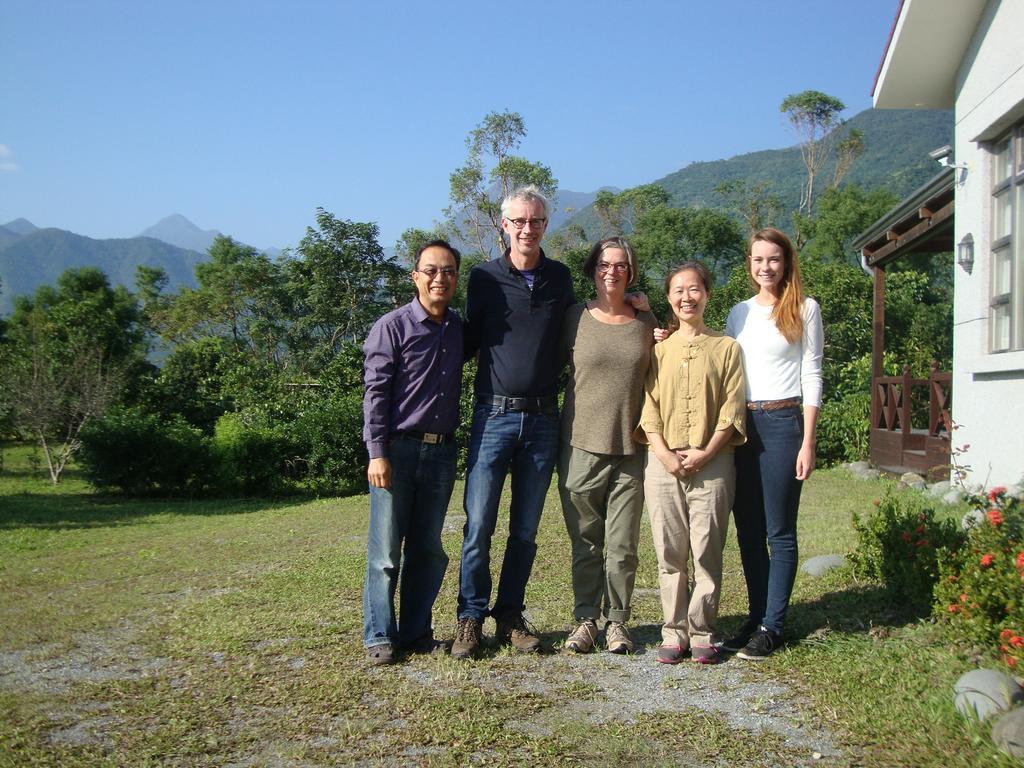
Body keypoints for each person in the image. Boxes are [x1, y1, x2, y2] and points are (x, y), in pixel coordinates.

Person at [451, 185, 575, 659]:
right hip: (493, 416)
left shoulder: (560, 279)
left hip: (544, 420)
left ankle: (510, 617)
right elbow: (463, 341)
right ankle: (469, 618)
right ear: (504, 225)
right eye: (519, 221)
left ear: (546, 225)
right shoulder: (483, 278)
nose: (528, 228)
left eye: (537, 221)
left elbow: (586, 327)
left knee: (524, 529)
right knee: (478, 524)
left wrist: (642, 313)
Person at [721, 227, 823, 661]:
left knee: (778, 530)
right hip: (742, 426)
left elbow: (813, 375)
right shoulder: (738, 313)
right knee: (747, 529)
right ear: (750, 264)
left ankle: (773, 625)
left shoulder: (804, 308)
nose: (766, 267)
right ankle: (756, 615)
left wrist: (808, 442)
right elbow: (720, 366)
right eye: (758, 259)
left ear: (786, 263)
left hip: (783, 422)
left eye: (774, 259)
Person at [637, 262, 746, 665]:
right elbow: (648, 405)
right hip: (662, 463)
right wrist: (664, 453)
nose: (687, 297)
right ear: (669, 298)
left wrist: (706, 452)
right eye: (679, 290)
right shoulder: (658, 350)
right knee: (669, 551)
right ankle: (673, 630)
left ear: (707, 294)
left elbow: (733, 410)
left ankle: (702, 629)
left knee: (706, 550)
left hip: (713, 463)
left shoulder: (727, 348)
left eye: (695, 289)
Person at [361, 240, 463, 666]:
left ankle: (418, 632)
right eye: (432, 270)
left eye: (449, 271)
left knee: (428, 549)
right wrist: (376, 452)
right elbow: (376, 392)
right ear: (416, 276)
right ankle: (380, 636)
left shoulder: (458, 328)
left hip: (441, 455)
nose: (440, 278)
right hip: (396, 452)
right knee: (386, 553)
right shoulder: (393, 326)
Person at [559, 237, 657, 655]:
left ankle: (617, 622)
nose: (611, 271)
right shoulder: (573, 318)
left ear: (630, 271)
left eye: (620, 265)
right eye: (604, 264)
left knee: (622, 546)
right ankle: (586, 621)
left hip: (631, 449)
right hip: (580, 445)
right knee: (585, 542)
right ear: (592, 269)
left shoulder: (645, 318)